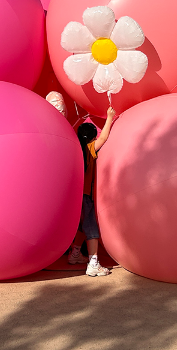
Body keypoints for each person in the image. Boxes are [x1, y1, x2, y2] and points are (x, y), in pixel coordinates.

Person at [67, 105, 116, 277]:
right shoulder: (89, 148)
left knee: (81, 226)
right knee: (91, 227)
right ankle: (93, 262)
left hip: (74, 197)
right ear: (90, 138)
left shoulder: (73, 149)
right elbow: (103, 138)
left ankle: (75, 254)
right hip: (85, 196)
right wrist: (110, 117)